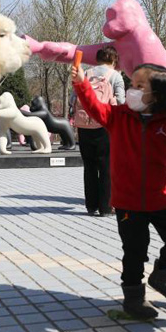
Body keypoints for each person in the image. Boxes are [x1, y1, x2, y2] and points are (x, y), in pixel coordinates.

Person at [71, 62, 166, 319]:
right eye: (131, 84)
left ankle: (163, 276)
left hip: (162, 198)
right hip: (127, 203)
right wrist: (81, 82)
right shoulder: (118, 117)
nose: (131, 90)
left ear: (158, 94)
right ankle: (134, 299)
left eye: (139, 86)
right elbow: (94, 107)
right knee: (134, 252)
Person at [71, 46, 125, 216]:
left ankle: (91, 205)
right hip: (105, 125)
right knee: (106, 166)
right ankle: (106, 207)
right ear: (114, 60)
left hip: (83, 125)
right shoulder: (115, 76)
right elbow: (121, 102)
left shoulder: (85, 73)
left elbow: (74, 97)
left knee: (89, 166)